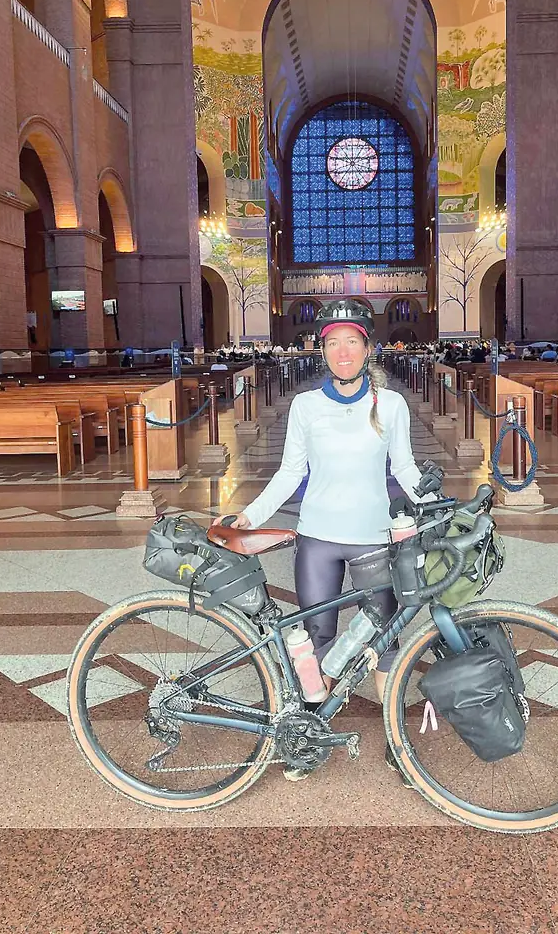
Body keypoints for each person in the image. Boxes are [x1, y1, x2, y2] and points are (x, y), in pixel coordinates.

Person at [213, 300, 426, 784]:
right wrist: (250, 515)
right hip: (318, 540)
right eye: (333, 343)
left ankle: (396, 738)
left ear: (368, 348)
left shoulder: (390, 405)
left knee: (385, 640)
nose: (343, 351)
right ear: (322, 351)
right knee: (316, 639)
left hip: (375, 538)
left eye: (352, 341)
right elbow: (291, 472)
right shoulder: (306, 406)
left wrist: (438, 504)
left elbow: (405, 468)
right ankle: (310, 736)